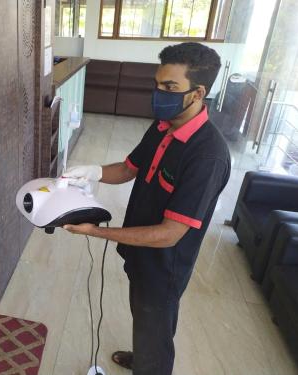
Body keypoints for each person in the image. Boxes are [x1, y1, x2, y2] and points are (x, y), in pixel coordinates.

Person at [62, 42, 231, 375]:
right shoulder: (163, 126)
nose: (159, 94)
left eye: (170, 88)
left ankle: (150, 365)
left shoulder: (207, 156)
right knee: (143, 316)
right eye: (157, 84)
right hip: (140, 251)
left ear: (198, 93)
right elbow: (129, 168)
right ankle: (143, 357)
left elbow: (169, 234)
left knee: (155, 326)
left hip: (164, 266)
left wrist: (95, 232)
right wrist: (94, 171)